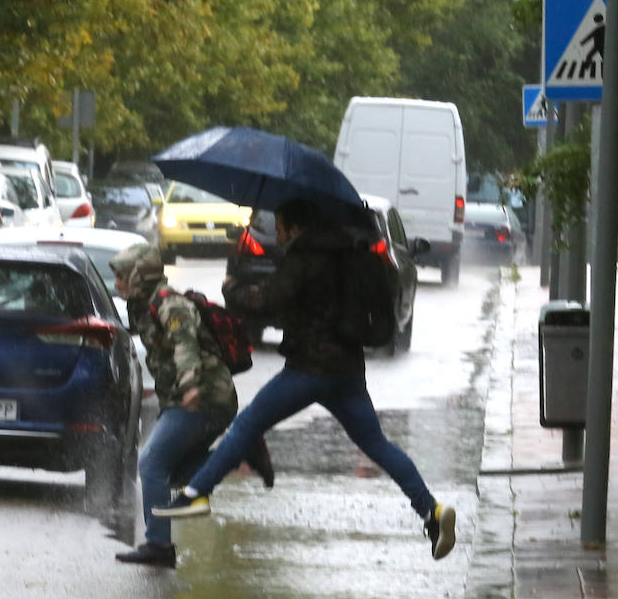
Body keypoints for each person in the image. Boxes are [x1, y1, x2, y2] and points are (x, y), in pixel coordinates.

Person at [151, 197, 458, 561]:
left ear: (296, 226)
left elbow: (267, 301)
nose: (278, 235)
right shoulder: (348, 251)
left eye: (281, 227)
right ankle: (432, 511)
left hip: (308, 368)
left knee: (248, 424)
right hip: (347, 369)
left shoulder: (304, 257)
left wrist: (231, 289)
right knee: (377, 445)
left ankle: (197, 493)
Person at [109, 243, 240, 569]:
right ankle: (240, 455)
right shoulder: (145, 305)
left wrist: (191, 386)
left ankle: (159, 546)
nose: (118, 285)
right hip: (186, 398)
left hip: (204, 398)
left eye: (123, 277)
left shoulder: (170, 305)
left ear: (141, 276)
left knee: (151, 464)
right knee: (171, 473)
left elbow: (186, 346)